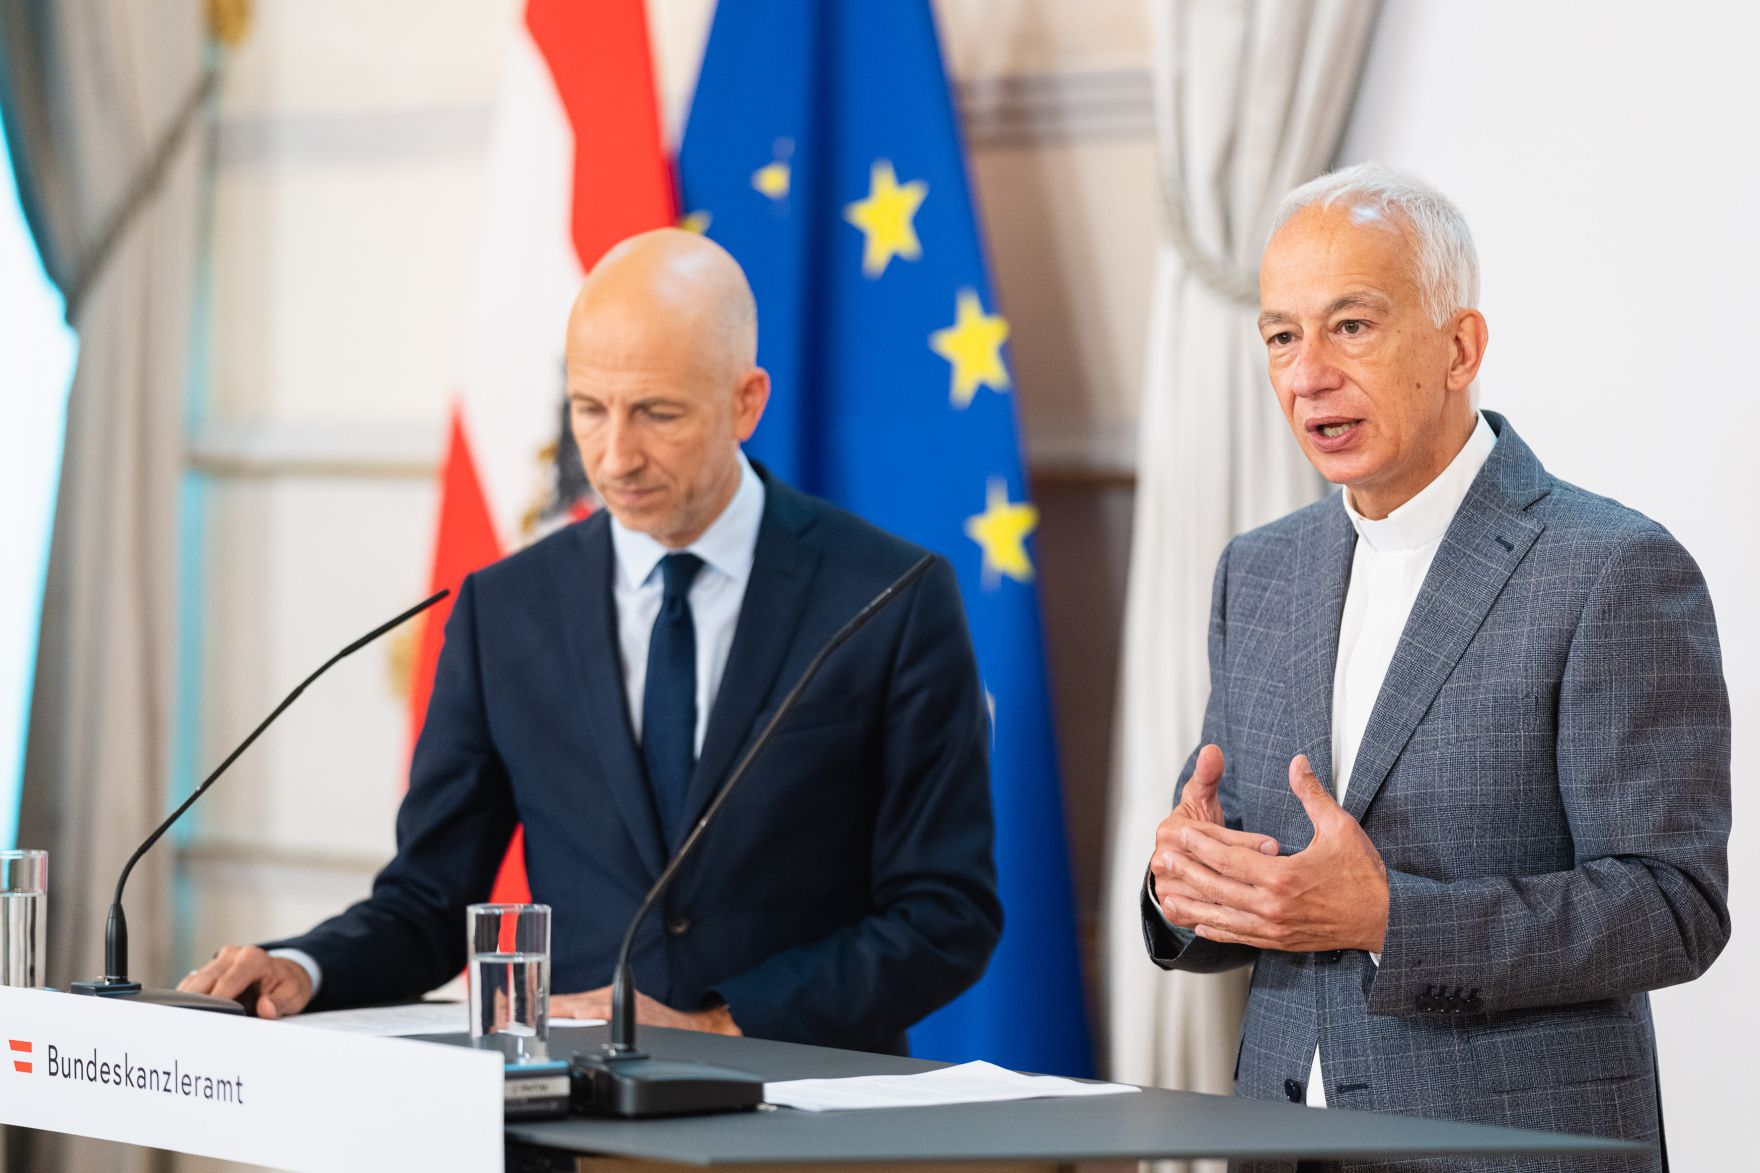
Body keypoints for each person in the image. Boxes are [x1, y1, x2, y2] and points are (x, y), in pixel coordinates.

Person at [181, 229, 1002, 1055]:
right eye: (589, 408)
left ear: (746, 401)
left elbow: (945, 912)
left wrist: (721, 1024)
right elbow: (429, 903)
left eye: (657, 413)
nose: (615, 456)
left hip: (810, 1114)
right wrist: (304, 967)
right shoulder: (504, 611)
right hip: (572, 1122)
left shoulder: (889, 597)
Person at [1141, 164, 1730, 1170]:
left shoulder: (1608, 567)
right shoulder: (1258, 571)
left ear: (1459, 348)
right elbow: (1252, 862)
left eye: (1350, 327)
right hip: (1276, 1138)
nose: (1305, 373)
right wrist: (1186, 882)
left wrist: (1390, 918)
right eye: (1280, 335)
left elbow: (1672, 906)